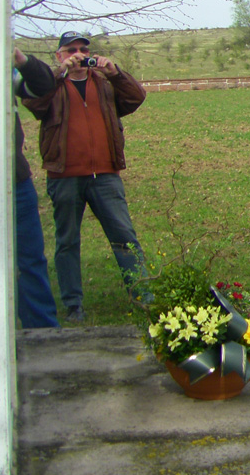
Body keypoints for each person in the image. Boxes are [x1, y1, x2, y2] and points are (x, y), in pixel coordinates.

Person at [22, 31, 151, 322]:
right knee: (67, 241)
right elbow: (33, 104)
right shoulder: (51, 86)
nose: (78, 55)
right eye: (70, 50)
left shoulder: (104, 84)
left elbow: (136, 97)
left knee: (125, 238)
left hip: (105, 175)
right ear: (59, 56)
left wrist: (115, 73)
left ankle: (144, 295)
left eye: (82, 49)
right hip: (64, 176)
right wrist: (59, 74)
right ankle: (73, 304)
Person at [12, 48, 60, 328]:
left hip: (14, 184)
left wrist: (22, 61)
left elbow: (42, 87)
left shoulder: (3, 70)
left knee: (29, 261)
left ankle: (43, 333)